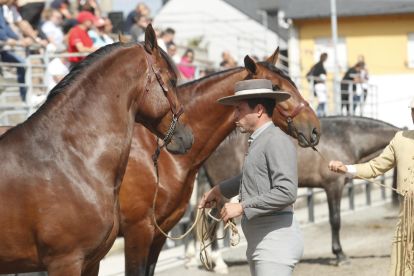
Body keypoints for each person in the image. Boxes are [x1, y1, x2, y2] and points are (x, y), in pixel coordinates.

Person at [199, 79, 303, 276]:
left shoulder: (275, 140)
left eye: (239, 109)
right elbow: (253, 175)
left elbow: (287, 192)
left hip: (275, 243)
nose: (235, 115)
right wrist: (219, 190)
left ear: (259, 110)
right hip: (265, 241)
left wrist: (242, 206)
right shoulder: (263, 139)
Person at [328, 98, 414, 276]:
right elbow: (375, 166)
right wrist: (347, 168)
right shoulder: (401, 139)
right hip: (406, 222)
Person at [0, 0, 27, 101]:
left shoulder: (2, 8)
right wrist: (6, 39)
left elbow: (6, 27)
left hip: (2, 51)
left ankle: (24, 97)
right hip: (2, 47)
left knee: (22, 62)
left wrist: (18, 38)